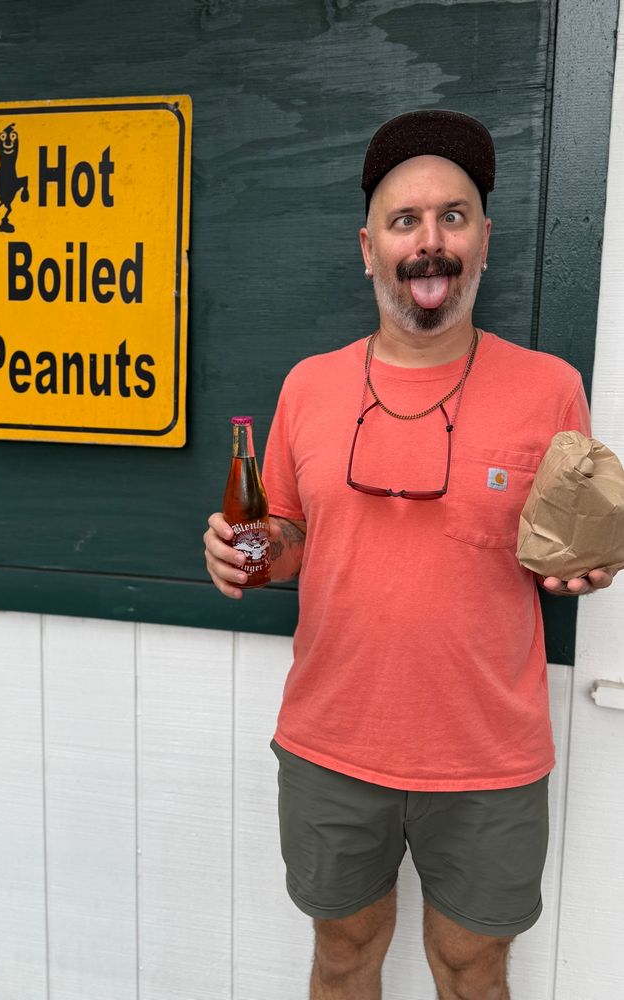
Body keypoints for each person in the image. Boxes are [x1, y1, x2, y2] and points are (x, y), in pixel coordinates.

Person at [203, 109, 617, 1000]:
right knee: (343, 958)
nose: (429, 242)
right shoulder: (307, 386)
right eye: (404, 221)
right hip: (332, 744)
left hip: (488, 756)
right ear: (369, 249)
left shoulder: (550, 389)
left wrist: (580, 569)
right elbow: (286, 539)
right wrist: (246, 552)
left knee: (473, 971)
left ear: (483, 240)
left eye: (452, 217)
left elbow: (564, 549)